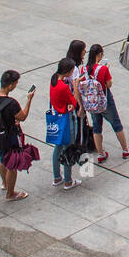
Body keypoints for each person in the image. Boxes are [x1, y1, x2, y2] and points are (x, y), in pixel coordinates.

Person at [79, 43, 129, 162]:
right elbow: (108, 84)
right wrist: (106, 70)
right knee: (116, 124)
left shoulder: (83, 69)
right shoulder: (103, 69)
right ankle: (125, 150)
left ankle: (101, 154)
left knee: (96, 127)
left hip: (92, 103)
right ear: (99, 54)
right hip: (105, 101)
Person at [0, 70, 35, 201]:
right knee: (12, 164)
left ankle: (4, 183)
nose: (16, 85)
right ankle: (10, 193)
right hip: (10, 136)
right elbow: (23, 116)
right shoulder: (12, 103)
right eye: (15, 83)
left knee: (2, 159)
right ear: (10, 85)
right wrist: (29, 100)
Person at [48, 58, 82, 189]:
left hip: (57, 117)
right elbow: (73, 101)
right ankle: (68, 180)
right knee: (68, 148)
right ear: (68, 71)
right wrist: (75, 86)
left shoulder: (54, 80)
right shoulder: (63, 87)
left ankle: (57, 177)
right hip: (66, 120)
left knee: (57, 148)